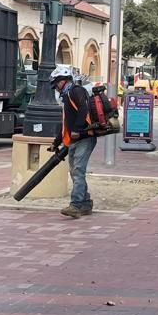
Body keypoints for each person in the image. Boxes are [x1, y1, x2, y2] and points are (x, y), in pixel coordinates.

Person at [50, 63, 97, 218]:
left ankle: (75, 205)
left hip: (85, 137)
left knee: (78, 170)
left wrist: (77, 129)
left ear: (63, 80)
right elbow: (66, 124)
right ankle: (85, 203)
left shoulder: (76, 91)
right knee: (75, 171)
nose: (55, 88)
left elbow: (83, 110)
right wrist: (56, 142)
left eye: (56, 84)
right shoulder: (67, 96)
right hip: (75, 138)